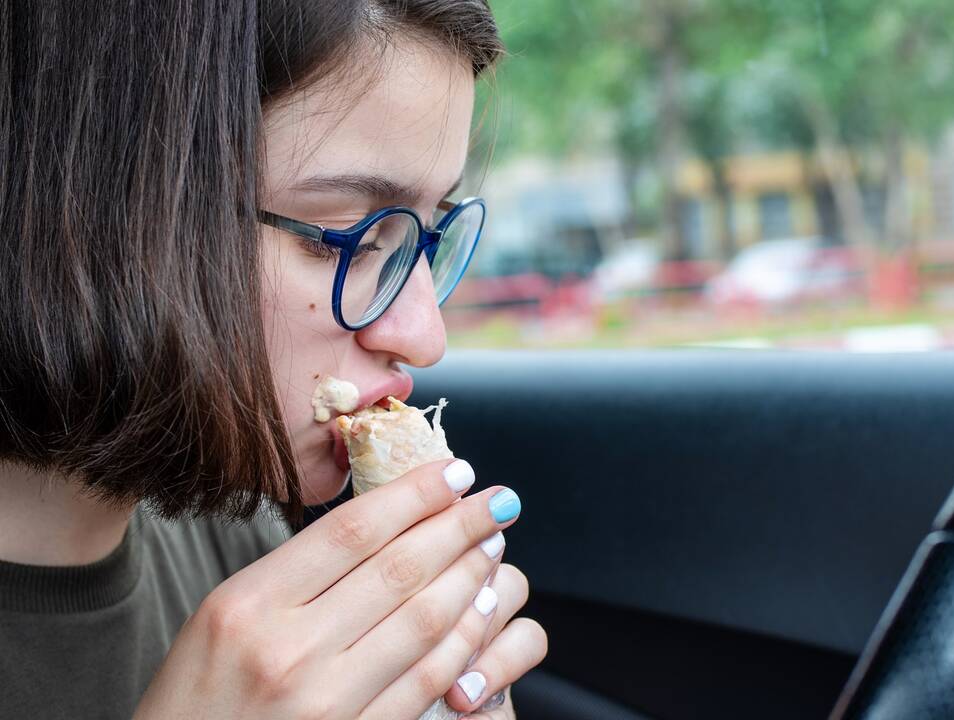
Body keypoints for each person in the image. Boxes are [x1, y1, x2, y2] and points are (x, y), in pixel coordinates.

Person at [0, 1, 547, 718]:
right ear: (104, 211)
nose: (423, 335)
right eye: (342, 235)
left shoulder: (235, 527)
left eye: (424, 238)